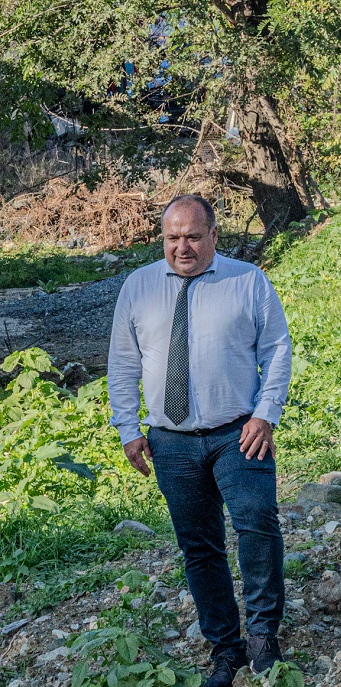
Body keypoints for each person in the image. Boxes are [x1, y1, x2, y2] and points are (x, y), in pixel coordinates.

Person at [107, 195, 292, 687]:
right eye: (172, 238)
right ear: (162, 238)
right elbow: (123, 364)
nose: (182, 247)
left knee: (256, 521)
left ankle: (263, 637)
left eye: (192, 236)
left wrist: (265, 415)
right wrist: (128, 430)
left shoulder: (247, 281)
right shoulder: (138, 287)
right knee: (199, 546)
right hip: (171, 442)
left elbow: (276, 349)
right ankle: (225, 651)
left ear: (213, 235)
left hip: (239, 432)